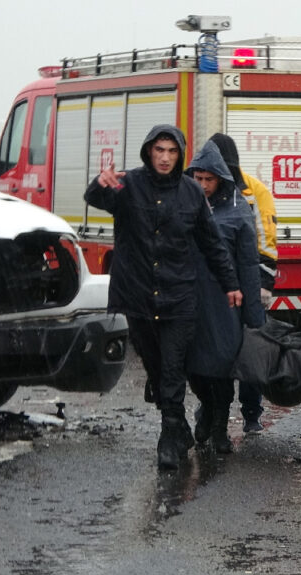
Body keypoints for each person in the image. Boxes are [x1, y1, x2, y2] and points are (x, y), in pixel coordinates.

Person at [84, 124, 242, 470]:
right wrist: (101, 182)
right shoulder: (130, 185)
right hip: (138, 295)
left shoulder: (191, 193)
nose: (166, 158)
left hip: (179, 296)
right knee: (156, 370)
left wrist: (231, 283)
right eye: (160, 150)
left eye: (172, 151)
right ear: (149, 152)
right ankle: (179, 425)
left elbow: (212, 242)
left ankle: (169, 437)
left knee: (172, 369)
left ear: (180, 154)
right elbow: (94, 199)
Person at [185, 141, 265, 454]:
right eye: (198, 178)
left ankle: (218, 426)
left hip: (225, 303)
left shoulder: (238, 209)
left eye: (209, 179)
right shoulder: (183, 205)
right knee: (194, 368)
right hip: (190, 301)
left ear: (221, 178)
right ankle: (206, 409)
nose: (203, 185)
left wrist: (253, 315)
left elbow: (248, 264)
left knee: (221, 368)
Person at [207, 133, 275, 432]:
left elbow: (267, 240)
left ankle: (251, 414)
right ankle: (210, 412)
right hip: (213, 289)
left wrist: (262, 285)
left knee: (250, 351)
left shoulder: (253, 191)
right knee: (213, 354)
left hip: (247, 285)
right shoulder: (200, 189)